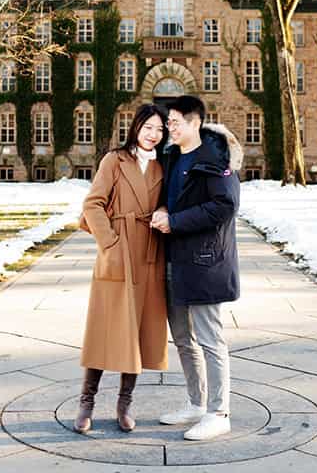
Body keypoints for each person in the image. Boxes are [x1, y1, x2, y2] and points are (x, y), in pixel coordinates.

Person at [151, 95, 241, 442]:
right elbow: (169, 194)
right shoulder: (173, 155)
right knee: (184, 340)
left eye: (174, 122)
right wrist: (162, 210)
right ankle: (196, 403)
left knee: (210, 339)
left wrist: (174, 222)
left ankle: (219, 413)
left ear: (194, 123)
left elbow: (224, 206)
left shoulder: (216, 158)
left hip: (205, 262)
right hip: (175, 260)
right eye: (168, 122)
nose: (168, 128)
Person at [76, 104, 170, 434]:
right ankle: (86, 400)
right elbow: (93, 204)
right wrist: (111, 243)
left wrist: (161, 209)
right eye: (148, 127)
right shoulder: (115, 160)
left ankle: (125, 403)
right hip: (117, 253)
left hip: (148, 254)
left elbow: (167, 200)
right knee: (105, 328)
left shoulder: (163, 165)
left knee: (139, 332)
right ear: (137, 127)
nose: (153, 134)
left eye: (160, 129)